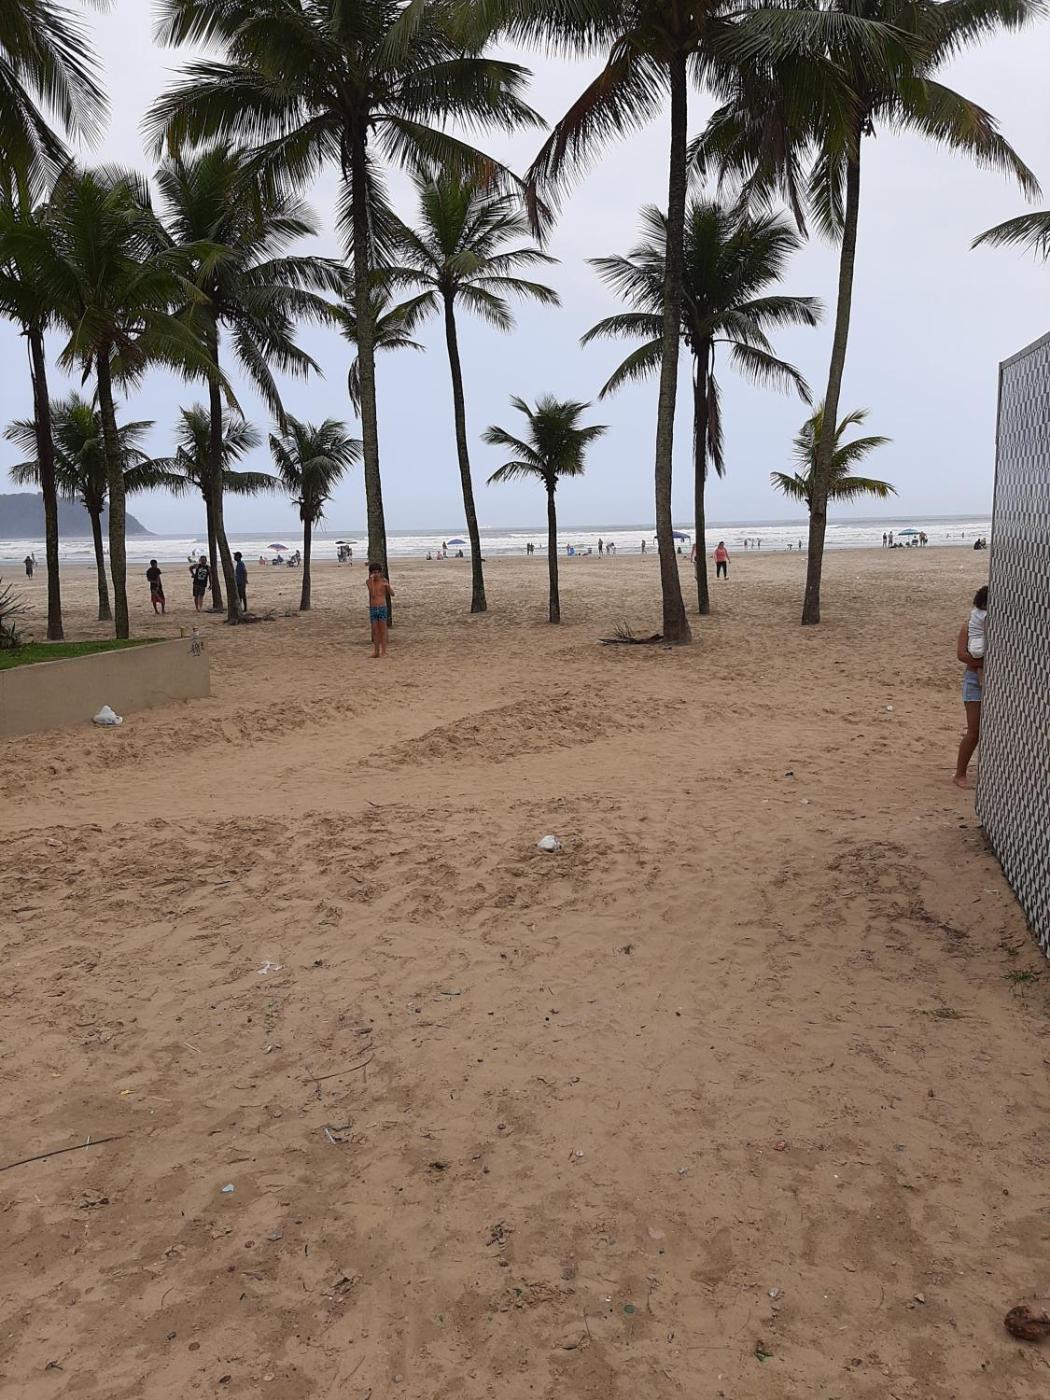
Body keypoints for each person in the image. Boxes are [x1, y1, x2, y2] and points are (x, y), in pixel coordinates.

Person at [954, 585, 988, 790]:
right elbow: (962, 655)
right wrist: (985, 663)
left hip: (998, 682)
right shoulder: (969, 626)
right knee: (974, 730)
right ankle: (960, 774)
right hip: (974, 681)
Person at [367, 561, 393, 658]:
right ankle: (376, 651)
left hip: (382, 607)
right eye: (374, 572)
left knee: (383, 629)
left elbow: (392, 594)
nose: (376, 574)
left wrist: (387, 586)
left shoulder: (383, 581)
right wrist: (372, 582)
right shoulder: (369, 582)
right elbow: (373, 594)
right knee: (375, 630)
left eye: (377, 572)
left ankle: (384, 651)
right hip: (373, 608)